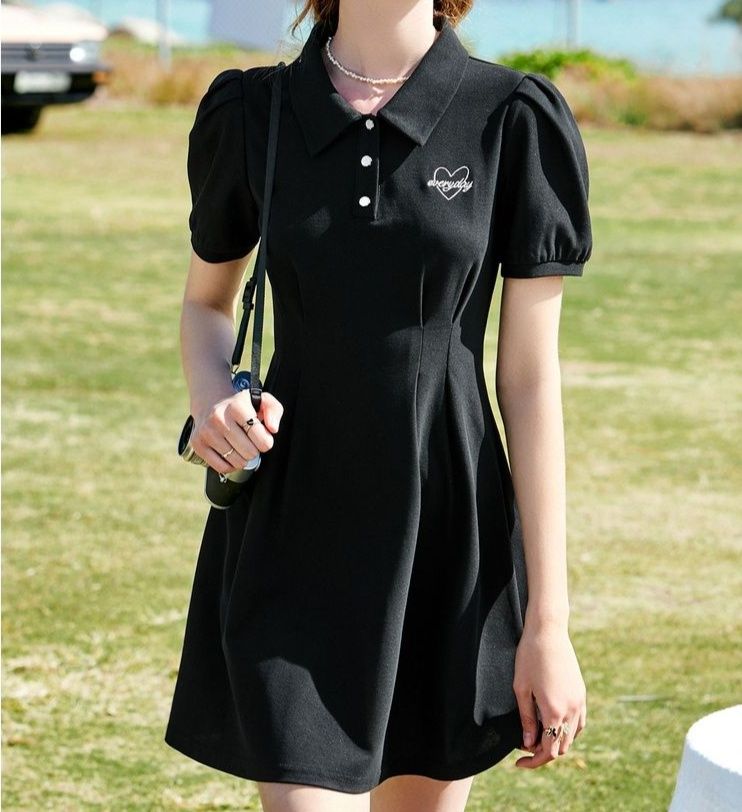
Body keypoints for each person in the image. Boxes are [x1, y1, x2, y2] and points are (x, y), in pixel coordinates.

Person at [164, 1, 592, 810]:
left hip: (447, 540)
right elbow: (205, 304)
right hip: (292, 531)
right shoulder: (254, 111)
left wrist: (548, 625)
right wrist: (213, 395)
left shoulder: (513, 116)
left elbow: (530, 380)